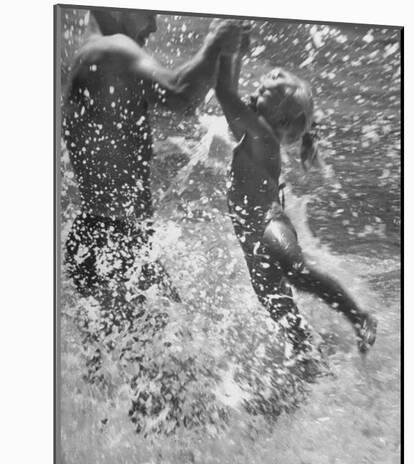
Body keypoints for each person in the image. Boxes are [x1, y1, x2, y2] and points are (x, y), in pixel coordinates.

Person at [63, 9, 243, 319]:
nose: (155, 26)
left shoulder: (93, 52)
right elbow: (182, 95)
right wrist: (216, 40)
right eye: (149, 12)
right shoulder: (113, 50)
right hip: (113, 241)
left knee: (123, 361)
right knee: (161, 358)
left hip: (105, 237)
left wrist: (226, 55)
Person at [214, 31, 377, 355]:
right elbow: (228, 96)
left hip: (268, 224)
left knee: (297, 272)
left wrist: (228, 49)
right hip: (253, 243)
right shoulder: (253, 133)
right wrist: (235, 54)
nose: (253, 92)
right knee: (282, 312)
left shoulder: (260, 135)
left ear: (279, 118)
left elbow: (223, 92)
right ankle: (309, 358)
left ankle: (358, 316)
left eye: (262, 94)